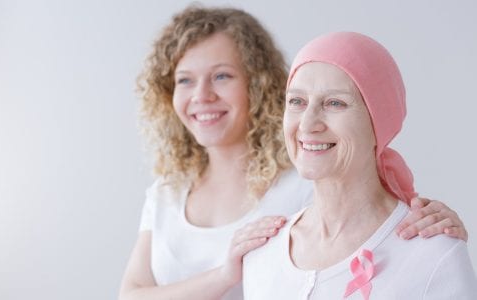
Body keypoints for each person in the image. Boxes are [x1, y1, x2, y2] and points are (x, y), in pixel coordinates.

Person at [119, 6, 468, 300]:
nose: (202, 95)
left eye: (222, 76)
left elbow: (374, 209)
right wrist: (225, 275)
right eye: (184, 80)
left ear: (258, 85)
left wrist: (435, 233)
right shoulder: (166, 193)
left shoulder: (305, 178)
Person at [243, 31, 477, 299]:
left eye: (335, 103)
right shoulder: (262, 252)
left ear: (379, 122)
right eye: (297, 102)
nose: (307, 124)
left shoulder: (432, 255)